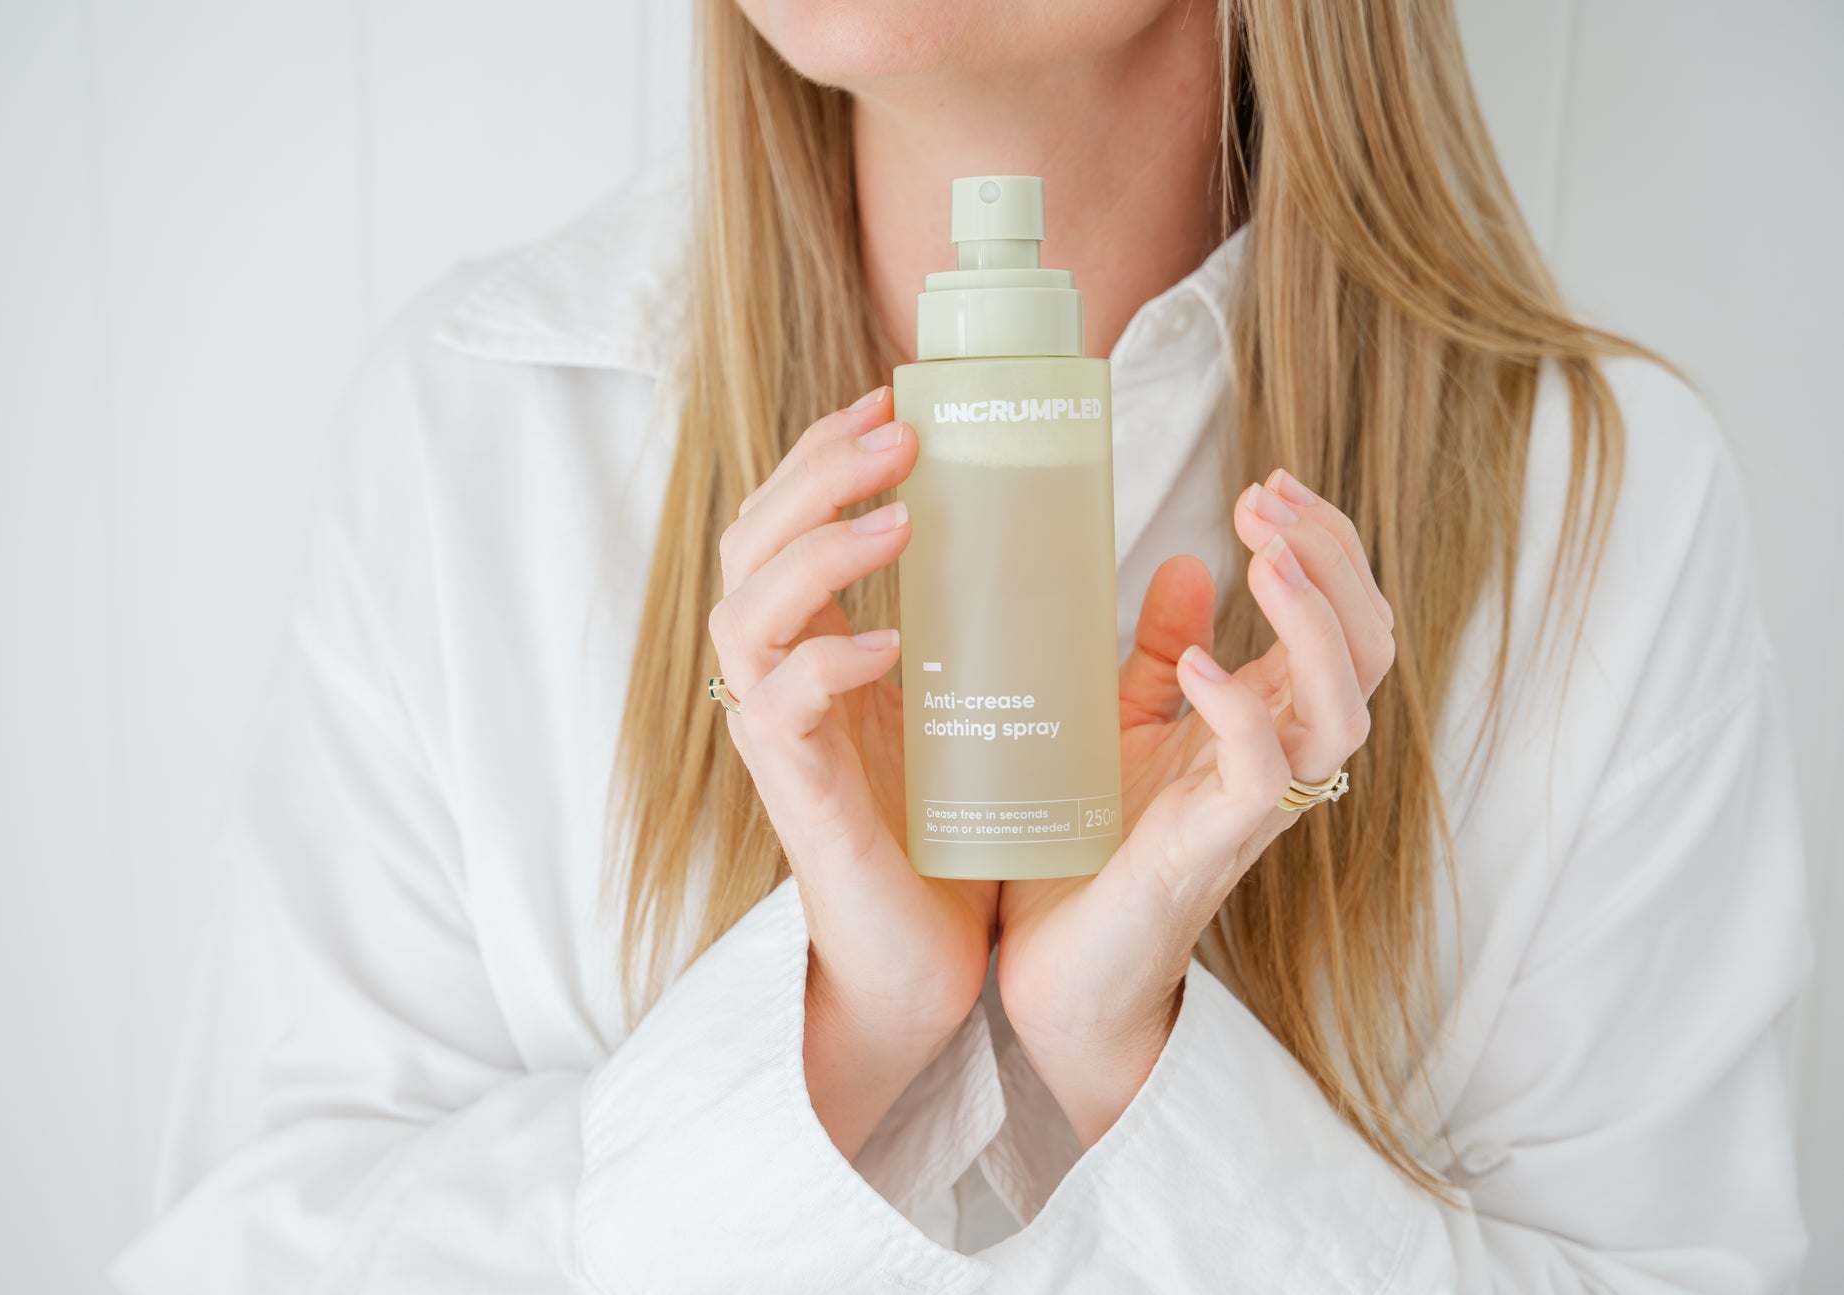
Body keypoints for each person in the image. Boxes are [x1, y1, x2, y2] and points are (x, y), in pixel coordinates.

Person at [110, 0, 1811, 1290]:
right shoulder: (481, 434)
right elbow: (234, 1259)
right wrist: (837, 1045)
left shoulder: (1597, 505)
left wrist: (1122, 1058)